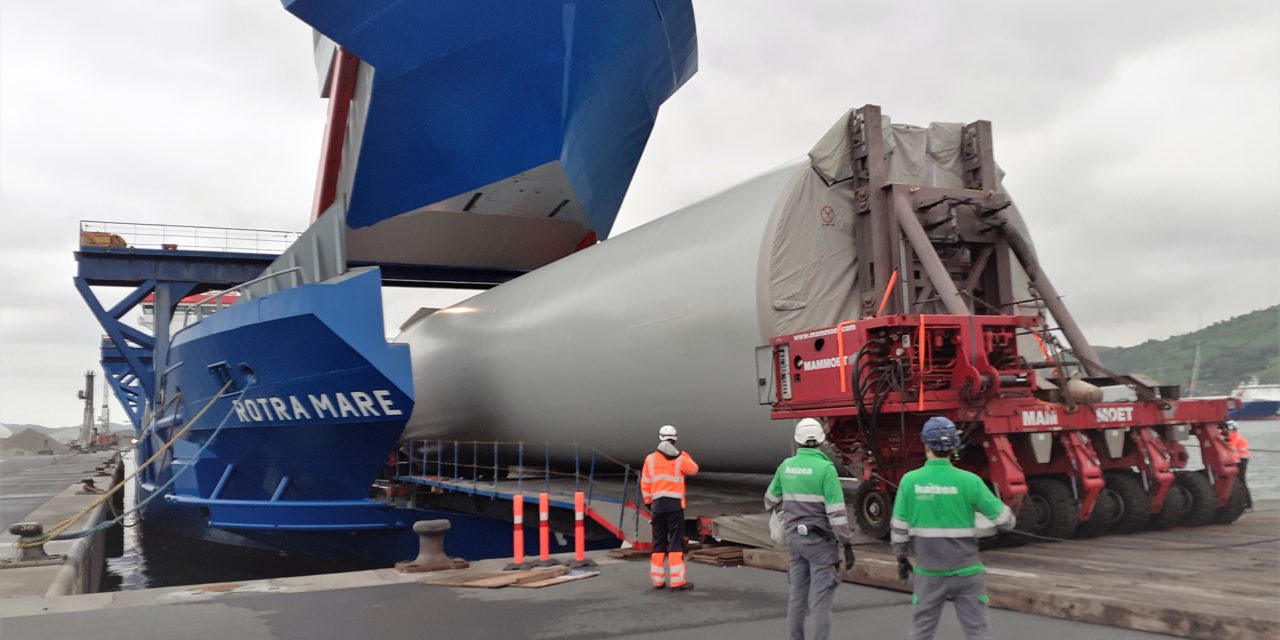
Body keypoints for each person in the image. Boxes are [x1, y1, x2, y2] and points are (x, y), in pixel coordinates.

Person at [891, 416, 1016, 640]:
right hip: (967, 572)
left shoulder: (910, 481)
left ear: (925, 444)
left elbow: (899, 529)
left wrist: (901, 557)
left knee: (921, 632)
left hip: (929, 573)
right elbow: (1005, 521)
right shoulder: (970, 481)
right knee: (977, 631)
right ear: (953, 447)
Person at [764, 418, 855, 640]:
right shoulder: (826, 469)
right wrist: (847, 543)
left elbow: (769, 500)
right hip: (821, 543)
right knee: (820, 601)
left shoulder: (786, 466)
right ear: (821, 442)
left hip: (795, 539)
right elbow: (836, 512)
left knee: (797, 598)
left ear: (798, 441)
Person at [640, 424, 699, 591]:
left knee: (658, 542)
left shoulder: (650, 459)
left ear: (660, 438)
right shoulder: (680, 458)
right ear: (675, 439)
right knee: (675, 542)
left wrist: (649, 503)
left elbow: (645, 483)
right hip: (674, 506)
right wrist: (684, 454)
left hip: (657, 506)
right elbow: (694, 469)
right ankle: (677, 581)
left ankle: (657, 580)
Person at [1226, 421, 1252, 509]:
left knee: (1241, 481)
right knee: (1238, 482)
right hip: (1236, 462)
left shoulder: (1236, 439)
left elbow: (1239, 453)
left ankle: (1247, 504)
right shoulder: (1230, 438)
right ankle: (1245, 503)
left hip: (1240, 462)